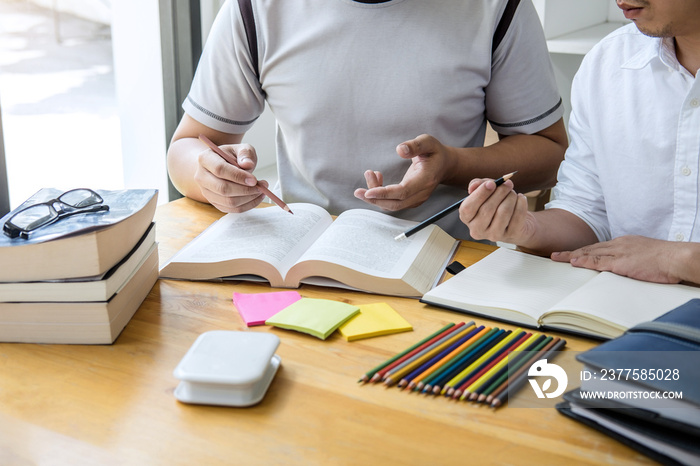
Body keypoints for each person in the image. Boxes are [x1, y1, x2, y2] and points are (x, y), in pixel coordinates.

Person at [167, 0, 568, 240]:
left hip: (446, 261)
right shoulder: (255, 8)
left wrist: (453, 166)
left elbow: (550, 154)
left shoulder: (496, 7)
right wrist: (211, 177)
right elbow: (187, 148)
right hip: (303, 254)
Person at [459, 0, 700, 282]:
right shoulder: (608, 62)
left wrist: (679, 260)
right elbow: (586, 211)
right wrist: (525, 228)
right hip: (623, 305)